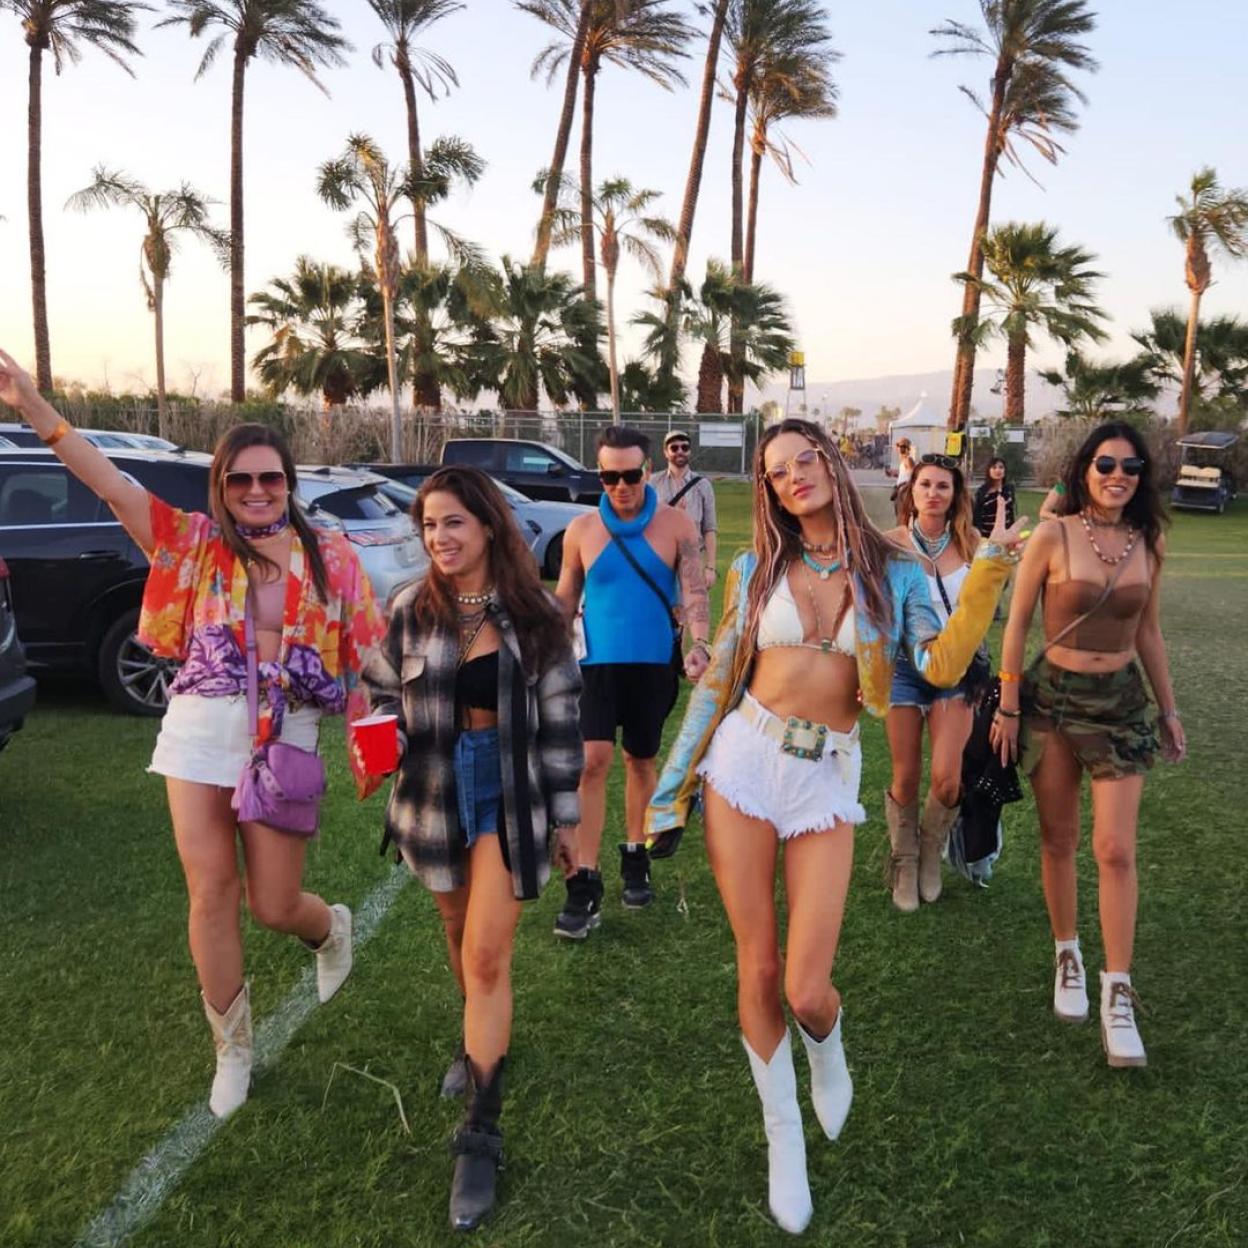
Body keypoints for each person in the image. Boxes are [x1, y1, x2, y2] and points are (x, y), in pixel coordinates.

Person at [646, 419, 1024, 1233]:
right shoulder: (757, 568)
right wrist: (666, 795)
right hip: (744, 763)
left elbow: (940, 667)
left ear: (831, 465)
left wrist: (988, 572)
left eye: (805, 460)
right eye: (777, 472)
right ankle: (784, 1137)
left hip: (825, 775)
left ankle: (828, 1043)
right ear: (772, 491)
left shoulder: (893, 570)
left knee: (807, 989)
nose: (795, 478)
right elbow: (715, 688)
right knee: (758, 965)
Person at [0, 346, 384, 1120]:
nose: (254, 490)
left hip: (286, 740)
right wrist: (33, 405)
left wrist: (402, 705)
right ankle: (232, 1049)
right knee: (210, 892)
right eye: (238, 478)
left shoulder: (330, 555)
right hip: (198, 734)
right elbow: (107, 480)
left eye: (269, 477)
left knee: (275, 904)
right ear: (221, 486)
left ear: (289, 482)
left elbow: (368, 648)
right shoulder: (192, 543)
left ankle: (328, 927)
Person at [362, 466, 584, 1230]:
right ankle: (473, 1035)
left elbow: (561, 727)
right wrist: (379, 734)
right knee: (457, 935)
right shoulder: (408, 611)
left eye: (453, 522)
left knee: (489, 955)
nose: (440, 539)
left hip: (510, 791)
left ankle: (480, 1136)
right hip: (431, 787)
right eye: (428, 526)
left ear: (489, 525)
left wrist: (567, 821)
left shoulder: (541, 618)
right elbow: (380, 692)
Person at [992, 422, 1185, 1070]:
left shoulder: (1148, 540)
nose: (1117, 476)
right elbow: (1016, 625)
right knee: (1058, 838)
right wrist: (1010, 707)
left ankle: (1117, 992)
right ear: (1084, 469)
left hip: (1122, 707)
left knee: (1115, 848)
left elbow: (1150, 632)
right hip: (1050, 704)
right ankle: (1067, 954)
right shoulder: (1052, 533)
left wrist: (1169, 709)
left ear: (1142, 479)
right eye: (1106, 464)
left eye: (1131, 468)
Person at [553, 426, 710, 937]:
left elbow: (693, 592)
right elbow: (565, 594)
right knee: (592, 762)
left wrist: (700, 644)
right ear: (598, 473)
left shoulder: (677, 524)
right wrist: (545, 645)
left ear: (647, 471)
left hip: (652, 664)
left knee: (640, 759)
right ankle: (586, 879)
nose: (619, 485)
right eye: (608, 475)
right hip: (595, 664)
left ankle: (636, 854)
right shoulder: (581, 530)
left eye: (630, 474)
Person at [883, 454, 990, 911]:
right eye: (925, 484)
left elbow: (984, 607)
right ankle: (904, 861)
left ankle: (930, 850)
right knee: (905, 778)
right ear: (912, 491)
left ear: (955, 495)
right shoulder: (889, 543)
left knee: (947, 780)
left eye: (942, 486)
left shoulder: (973, 544)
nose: (932, 493)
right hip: (905, 669)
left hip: (957, 668)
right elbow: (872, 612)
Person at [651, 428, 718, 589]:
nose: (680, 451)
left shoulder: (703, 485)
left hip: (693, 558)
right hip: (661, 559)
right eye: (674, 448)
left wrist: (710, 567)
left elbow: (710, 529)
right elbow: (646, 524)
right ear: (666, 452)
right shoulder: (653, 483)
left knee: (693, 610)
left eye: (684, 447)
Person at [973, 456, 1017, 536]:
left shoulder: (1008, 490)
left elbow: (1010, 515)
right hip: (986, 537)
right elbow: (976, 519)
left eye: (1001, 467)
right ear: (988, 471)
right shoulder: (982, 492)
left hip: (1006, 536)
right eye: (994, 467)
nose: (998, 470)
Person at [892, 437, 917, 522]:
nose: (899, 448)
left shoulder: (908, 459)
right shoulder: (904, 460)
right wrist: (894, 474)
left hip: (905, 487)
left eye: (902, 446)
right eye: (899, 446)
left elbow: (914, 474)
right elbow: (905, 473)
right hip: (902, 486)